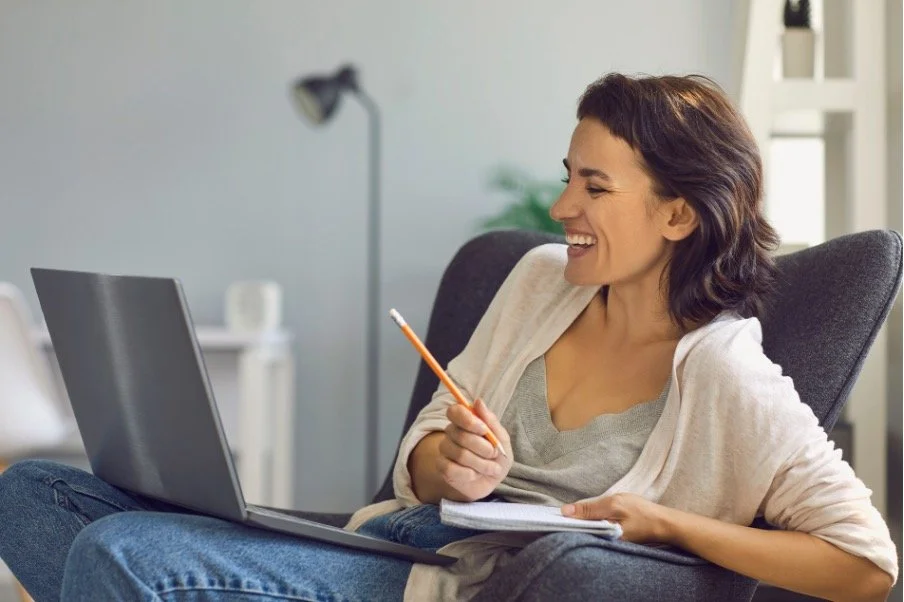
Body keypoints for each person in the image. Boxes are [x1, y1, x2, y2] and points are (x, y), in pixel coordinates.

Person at [0, 73, 896, 601]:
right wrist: (451, 461)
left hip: (449, 584)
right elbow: (425, 451)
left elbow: (866, 565)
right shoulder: (540, 278)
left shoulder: (728, 372)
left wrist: (667, 522)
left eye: (593, 187)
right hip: (393, 536)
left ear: (676, 215)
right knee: (32, 495)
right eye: (565, 178)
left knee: (122, 556)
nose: (561, 209)